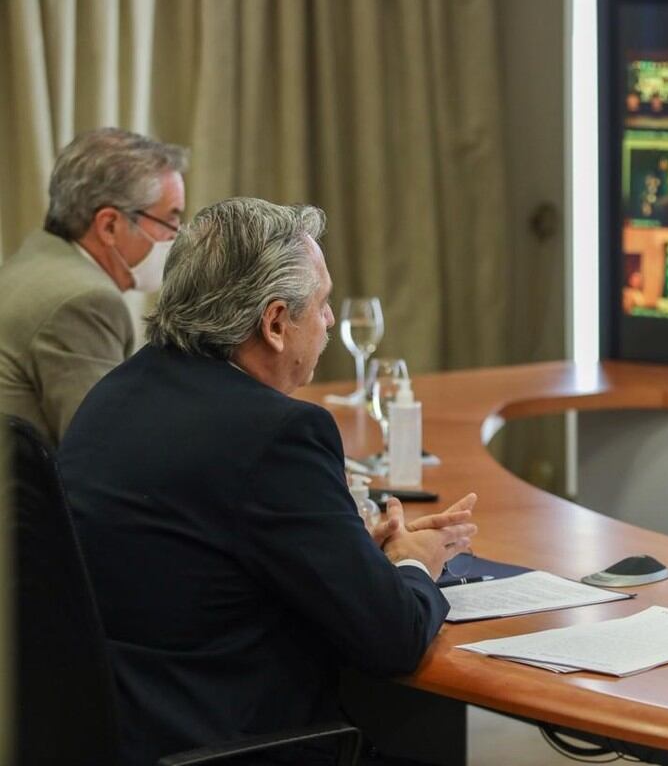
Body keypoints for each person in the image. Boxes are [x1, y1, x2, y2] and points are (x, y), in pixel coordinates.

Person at [58, 198, 477, 766]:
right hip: (234, 740)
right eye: (323, 305)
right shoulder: (278, 434)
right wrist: (413, 562)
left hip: (126, 731)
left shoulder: (114, 395)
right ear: (276, 323)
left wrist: (351, 552)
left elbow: (207, 561)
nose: (329, 321)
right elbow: (394, 639)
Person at [0, 128, 187, 444]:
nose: (177, 236)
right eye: (170, 220)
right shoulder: (83, 300)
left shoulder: (35, 259)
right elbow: (107, 451)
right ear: (110, 225)